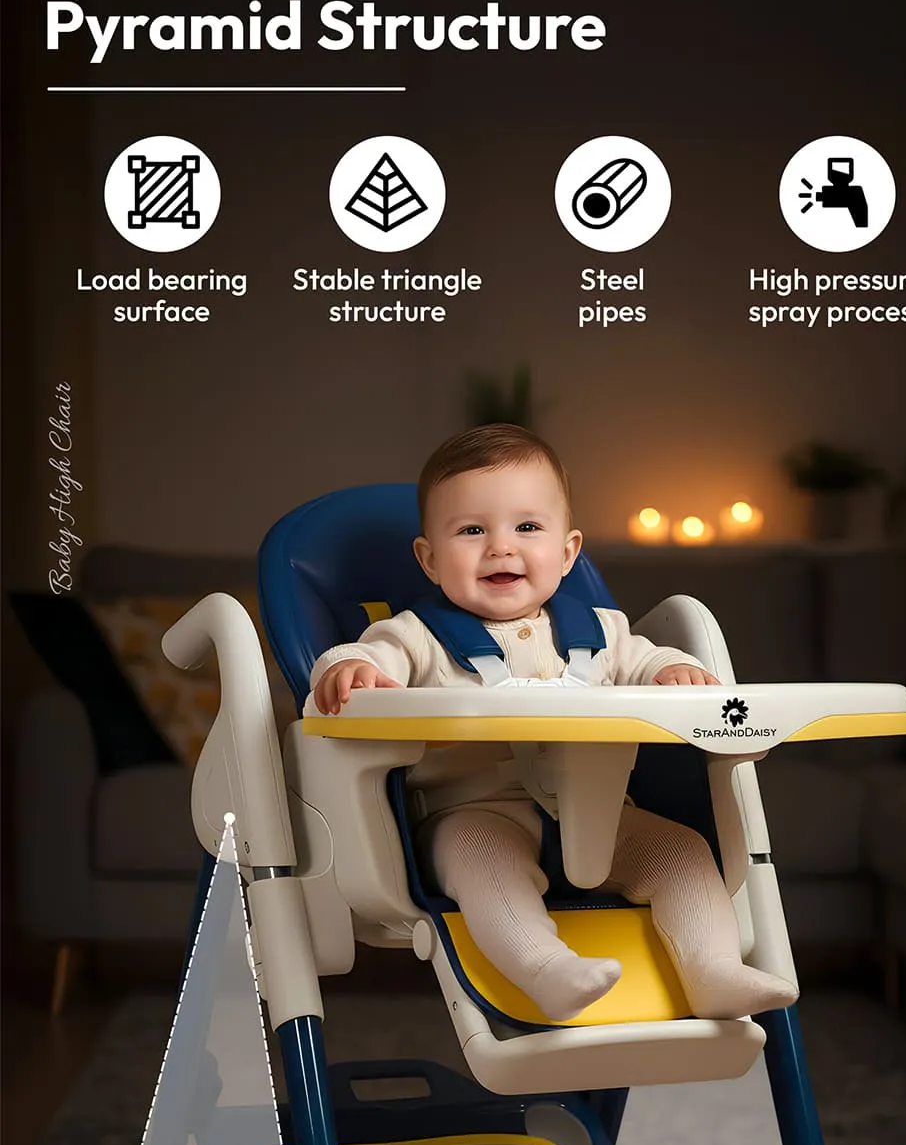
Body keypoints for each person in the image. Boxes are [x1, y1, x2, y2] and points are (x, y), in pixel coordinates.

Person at [308, 422, 786, 1024]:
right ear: (429, 560)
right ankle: (546, 971)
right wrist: (349, 667)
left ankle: (712, 970)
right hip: (472, 816)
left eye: (527, 528)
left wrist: (676, 672)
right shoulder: (415, 636)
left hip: (603, 817)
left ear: (567, 552)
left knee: (682, 852)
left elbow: (648, 661)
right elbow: (369, 658)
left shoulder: (604, 631)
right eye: (472, 530)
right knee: (483, 862)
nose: (500, 548)